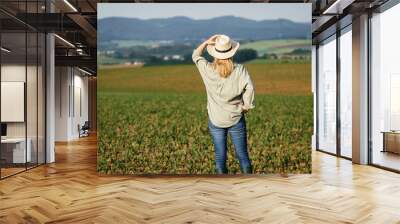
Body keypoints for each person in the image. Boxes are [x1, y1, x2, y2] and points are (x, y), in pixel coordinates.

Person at [192, 34, 255, 174]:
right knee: (243, 156)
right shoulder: (240, 69)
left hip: (216, 119)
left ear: (215, 53)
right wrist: (246, 105)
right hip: (236, 117)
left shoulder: (207, 69)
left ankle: (223, 188)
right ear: (231, 51)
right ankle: (250, 185)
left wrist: (206, 42)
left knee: (220, 157)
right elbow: (249, 87)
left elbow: (195, 55)